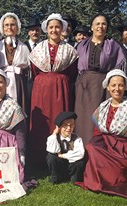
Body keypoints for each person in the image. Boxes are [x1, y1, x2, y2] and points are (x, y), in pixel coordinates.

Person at [76, 69, 127, 202]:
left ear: (125, 86)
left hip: (124, 148)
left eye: (120, 85)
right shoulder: (103, 107)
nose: (117, 89)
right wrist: (93, 146)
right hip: (106, 145)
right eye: (113, 85)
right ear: (107, 87)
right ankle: (99, 180)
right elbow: (97, 133)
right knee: (92, 147)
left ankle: (115, 181)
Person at [28, 13, 78, 168]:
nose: (54, 30)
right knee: (41, 122)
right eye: (51, 27)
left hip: (60, 89)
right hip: (41, 89)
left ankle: (59, 159)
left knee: (59, 121)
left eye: (57, 27)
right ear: (46, 29)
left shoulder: (69, 50)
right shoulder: (38, 49)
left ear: (62, 28)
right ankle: (38, 159)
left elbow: (71, 73)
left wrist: (57, 79)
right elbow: (35, 70)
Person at [74, 14, 126, 145]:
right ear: (91, 27)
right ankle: (81, 153)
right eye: (97, 24)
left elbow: (120, 67)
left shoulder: (114, 46)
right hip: (83, 87)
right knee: (82, 120)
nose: (100, 27)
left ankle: (98, 154)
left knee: (98, 120)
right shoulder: (81, 45)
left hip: (102, 87)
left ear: (107, 27)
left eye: (103, 24)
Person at [0, 12, 31, 113]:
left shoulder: (24, 47)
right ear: (3, 27)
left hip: (19, 84)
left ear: (17, 27)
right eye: (6, 25)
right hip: (2, 82)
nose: (9, 27)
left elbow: (28, 69)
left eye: (12, 24)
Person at [46, 111, 85, 184]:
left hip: (71, 166)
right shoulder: (53, 138)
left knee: (79, 162)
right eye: (65, 125)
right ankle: (55, 177)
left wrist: (63, 155)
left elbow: (80, 153)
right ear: (59, 127)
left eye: (72, 125)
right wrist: (55, 133)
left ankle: (75, 178)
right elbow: (52, 150)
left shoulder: (77, 139)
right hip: (60, 166)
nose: (69, 128)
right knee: (51, 157)